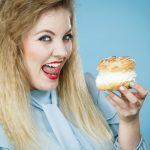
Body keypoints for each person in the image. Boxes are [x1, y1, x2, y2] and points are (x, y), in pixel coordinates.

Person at [0, 0, 149, 150]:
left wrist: (129, 121)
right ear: (11, 45)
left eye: (67, 37)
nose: (63, 52)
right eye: (45, 37)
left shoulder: (88, 89)